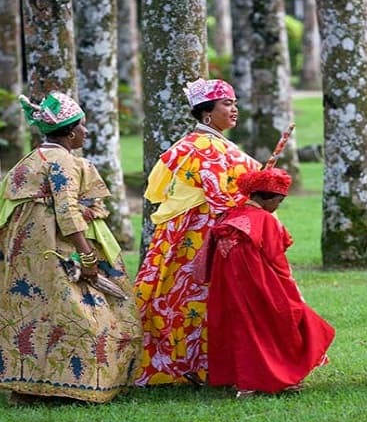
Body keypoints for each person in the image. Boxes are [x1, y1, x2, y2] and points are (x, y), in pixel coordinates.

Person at [0, 91, 143, 405]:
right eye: (83, 127)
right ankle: (80, 388)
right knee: (87, 315)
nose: (86, 132)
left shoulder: (30, 159)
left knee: (33, 315)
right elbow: (67, 211)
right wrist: (87, 256)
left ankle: (26, 389)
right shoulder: (64, 162)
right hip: (51, 246)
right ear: (71, 132)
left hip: (23, 248)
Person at [134, 78, 261, 386]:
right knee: (201, 297)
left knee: (181, 298)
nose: (235, 110)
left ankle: (196, 364)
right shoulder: (205, 148)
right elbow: (221, 198)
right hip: (203, 235)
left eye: (234, 103)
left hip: (185, 235)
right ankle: (199, 365)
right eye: (227, 104)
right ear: (207, 113)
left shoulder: (198, 144)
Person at [204, 168, 335, 398]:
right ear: (270, 198)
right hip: (260, 284)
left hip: (229, 288)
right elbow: (277, 259)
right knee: (282, 322)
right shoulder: (265, 220)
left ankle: (244, 383)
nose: (278, 207)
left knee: (243, 329)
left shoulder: (232, 216)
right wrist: (290, 288)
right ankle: (281, 377)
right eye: (279, 201)